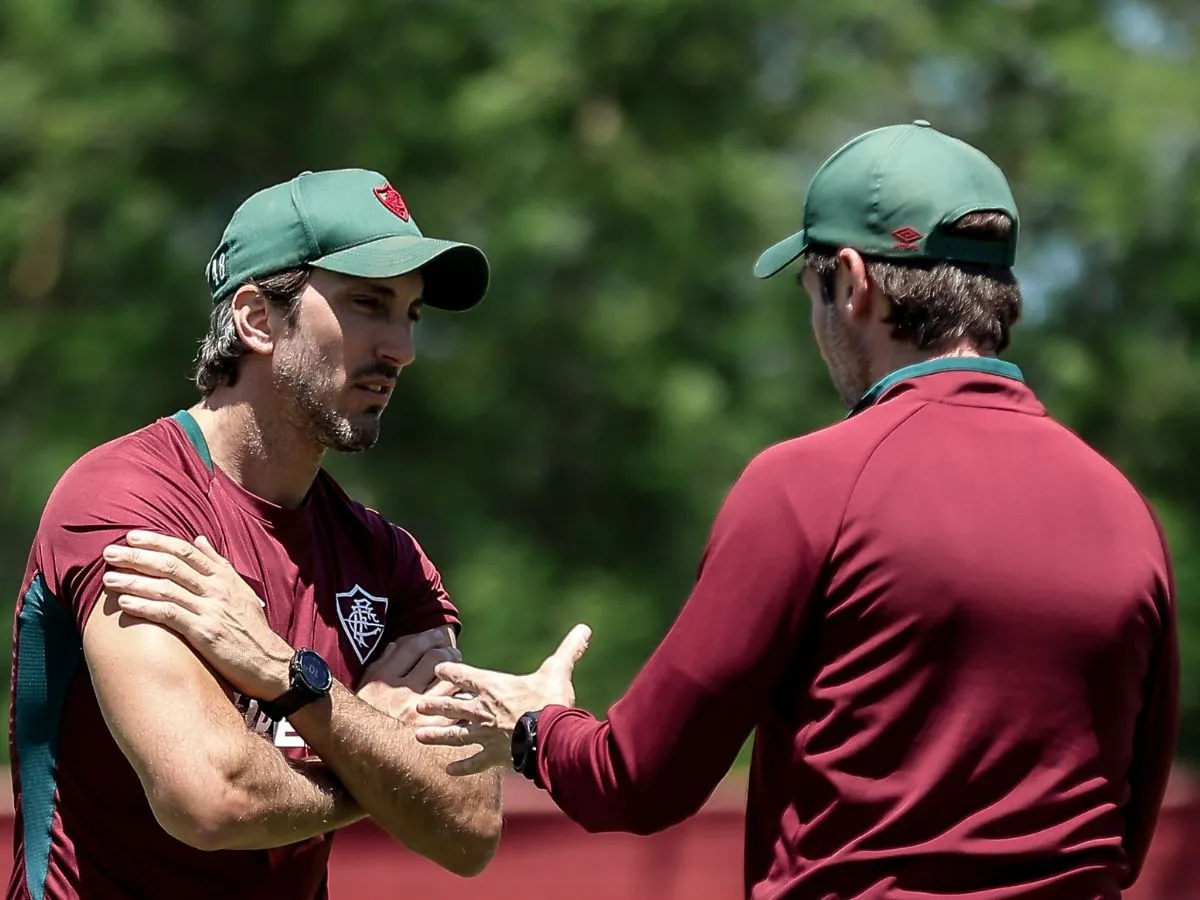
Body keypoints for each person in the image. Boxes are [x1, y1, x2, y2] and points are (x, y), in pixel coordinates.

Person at [398, 121, 1176, 898]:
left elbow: (639, 780)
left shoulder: (810, 484)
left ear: (852, 280)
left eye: (811, 292)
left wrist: (534, 730)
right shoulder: (1125, 511)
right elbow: (1129, 826)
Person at [7, 168, 504, 900]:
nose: (402, 348)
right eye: (369, 304)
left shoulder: (390, 560)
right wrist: (376, 760)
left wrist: (287, 675)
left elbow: (468, 827)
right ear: (255, 318)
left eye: (413, 314)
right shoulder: (128, 500)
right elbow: (211, 796)